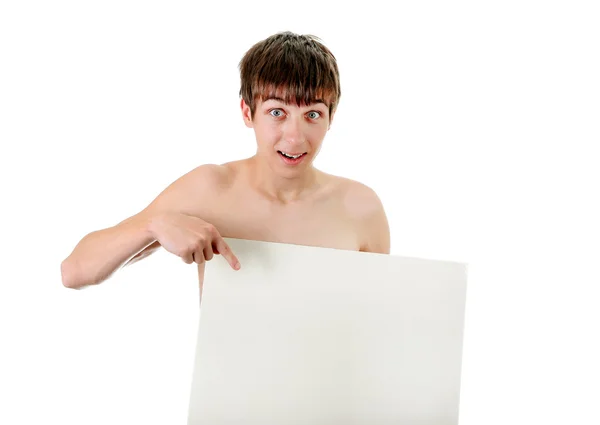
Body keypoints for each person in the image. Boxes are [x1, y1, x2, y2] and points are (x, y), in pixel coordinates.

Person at [61, 31, 391, 301]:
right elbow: (74, 272)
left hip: (330, 382)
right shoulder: (211, 188)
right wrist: (152, 225)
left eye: (313, 115)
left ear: (331, 118)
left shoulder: (360, 207)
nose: (295, 137)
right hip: (228, 383)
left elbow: (379, 322)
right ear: (248, 113)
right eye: (277, 112)